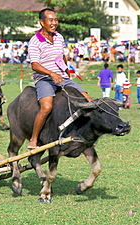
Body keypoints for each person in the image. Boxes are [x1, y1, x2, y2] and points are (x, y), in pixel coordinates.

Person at [27, 8, 92, 150]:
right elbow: (35, 65)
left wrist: (66, 72)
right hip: (44, 79)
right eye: (50, 20)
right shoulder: (34, 41)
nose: (54, 22)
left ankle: (86, 133)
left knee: (89, 101)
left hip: (61, 77)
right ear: (42, 22)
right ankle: (34, 138)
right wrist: (51, 74)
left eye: (56, 20)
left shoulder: (59, 37)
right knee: (46, 107)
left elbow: (61, 56)